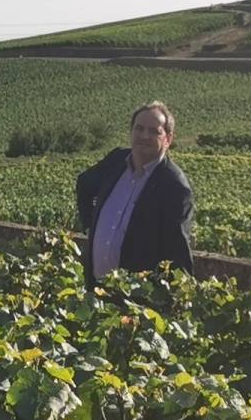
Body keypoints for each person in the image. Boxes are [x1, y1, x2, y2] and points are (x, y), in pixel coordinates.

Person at [75, 100, 194, 286]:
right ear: (131, 132)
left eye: (154, 131)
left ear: (168, 139)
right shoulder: (117, 160)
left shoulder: (174, 186)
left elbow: (177, 253)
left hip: (135, 301)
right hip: (95, 290)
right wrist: (91, 226)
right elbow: (84, 184)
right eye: (139, 128)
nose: (144, 136)